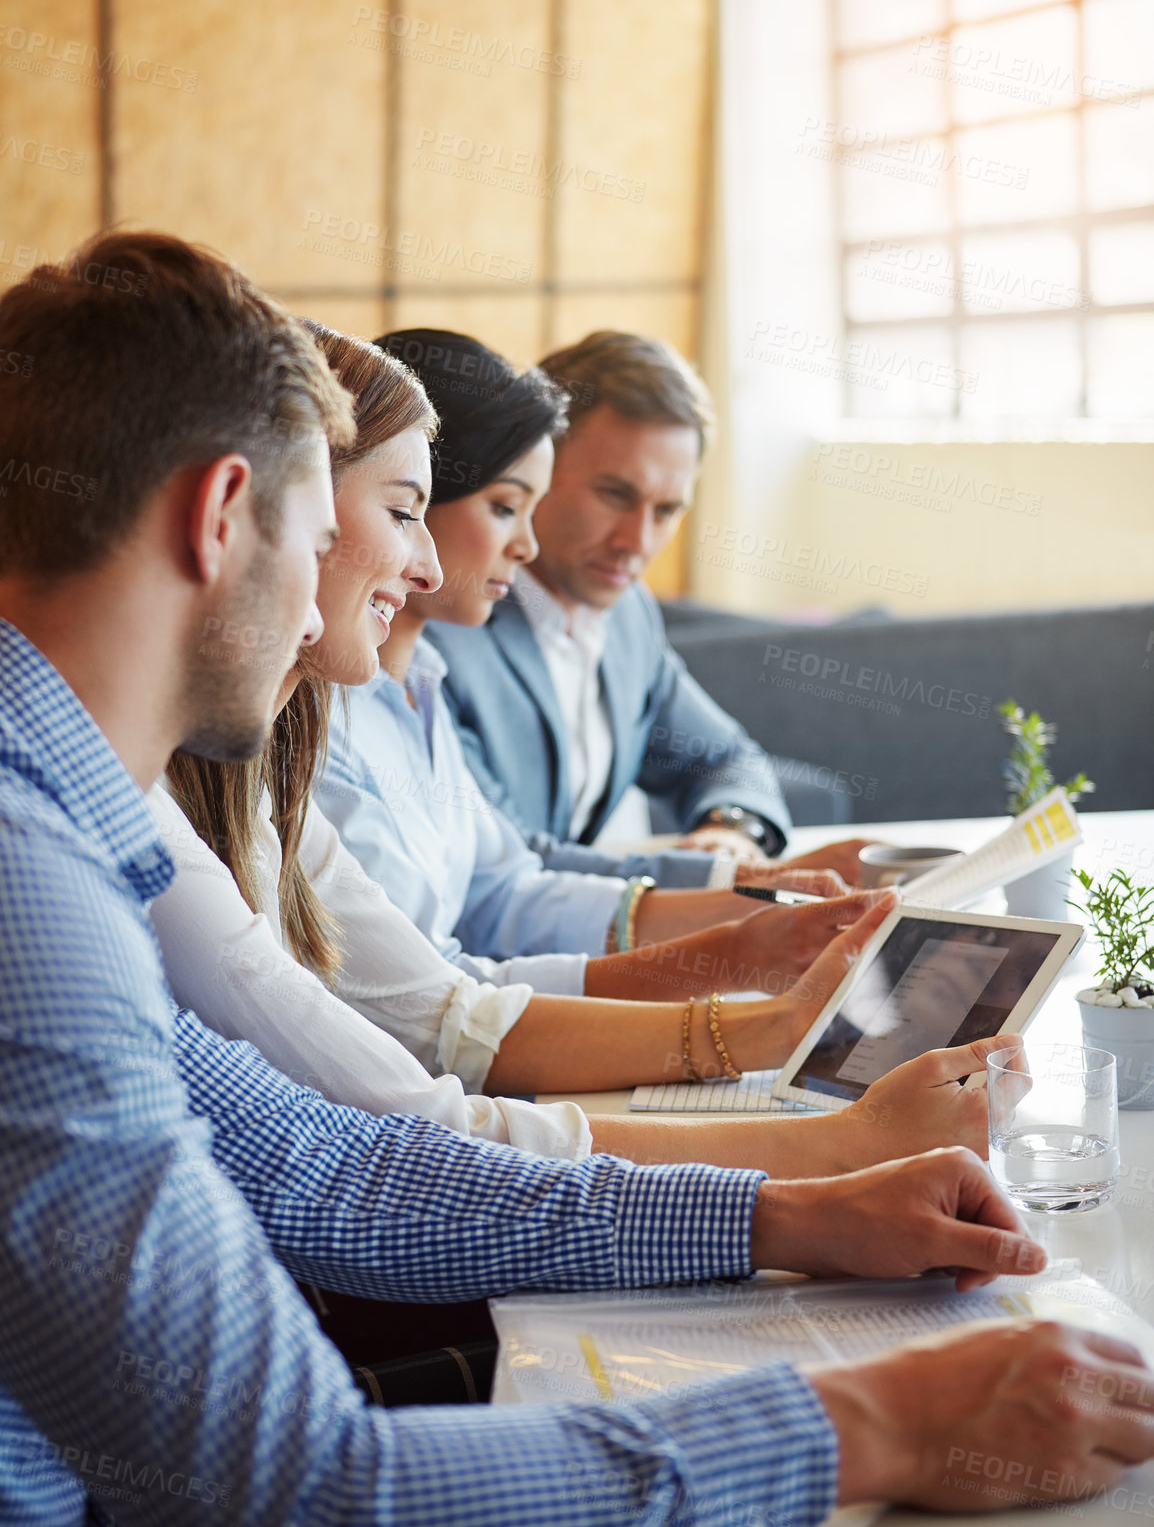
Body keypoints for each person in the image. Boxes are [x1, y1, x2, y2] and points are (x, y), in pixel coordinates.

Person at [3, 231, 1151, 1525]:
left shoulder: (67, 816)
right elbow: (304, 1488)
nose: (384, 578)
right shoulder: (26, 885)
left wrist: (791, 1214)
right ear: (220, 517)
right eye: (327, 529)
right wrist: (873, 1425)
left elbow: (325, 1169)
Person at [155, 321, 995, 1176]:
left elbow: (461, 986)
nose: (429, 569)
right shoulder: (312, 726)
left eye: (667, 510)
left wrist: (749, 926)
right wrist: (805, 1138)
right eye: (408, 513)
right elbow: (424, 1090)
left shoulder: (317, 745)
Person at [417, 329, 860, 883]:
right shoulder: (435, 626)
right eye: (615, 495)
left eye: (667, 509)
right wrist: (711, 883)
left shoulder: (629, 615)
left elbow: (726, 758)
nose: (638, 542)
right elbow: (508, 864)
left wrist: (729, 833)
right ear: (540, 462)